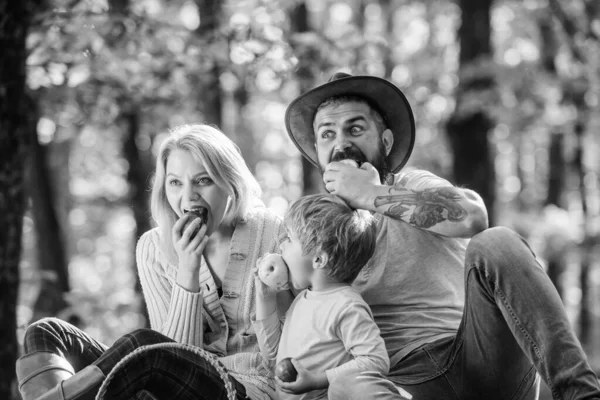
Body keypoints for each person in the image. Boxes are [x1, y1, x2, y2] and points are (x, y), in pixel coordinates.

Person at [283, 71, 600, 400]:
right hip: (397, 383)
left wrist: (370, 194)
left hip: (478, 359)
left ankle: (582, 394)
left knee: (498, 242)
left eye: (355, 128)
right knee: (346, 386)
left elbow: (473, 217)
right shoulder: (310, 226)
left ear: (385, 142)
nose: (341, 144)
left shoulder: (413, 185)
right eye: (327, 134)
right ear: (318, 151)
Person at [16, 124, 293, 400]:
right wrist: (188, 269)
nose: (188, 196)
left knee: (145, 345)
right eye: (175, 183)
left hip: (249, 390)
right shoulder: (153, 248)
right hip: (174, 385)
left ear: (229, 180)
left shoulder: (274, 233)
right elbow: (171, 362)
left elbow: (163, 356)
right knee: (46, 332)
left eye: (203, 180)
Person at [252, 193, 397, 399]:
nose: (281, 245)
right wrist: (264, 297)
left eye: (290, 239)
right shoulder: (303, 300)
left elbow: (376, 360)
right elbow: (273, 356)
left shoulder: (346, 305)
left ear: (319, 259)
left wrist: (317, 380)